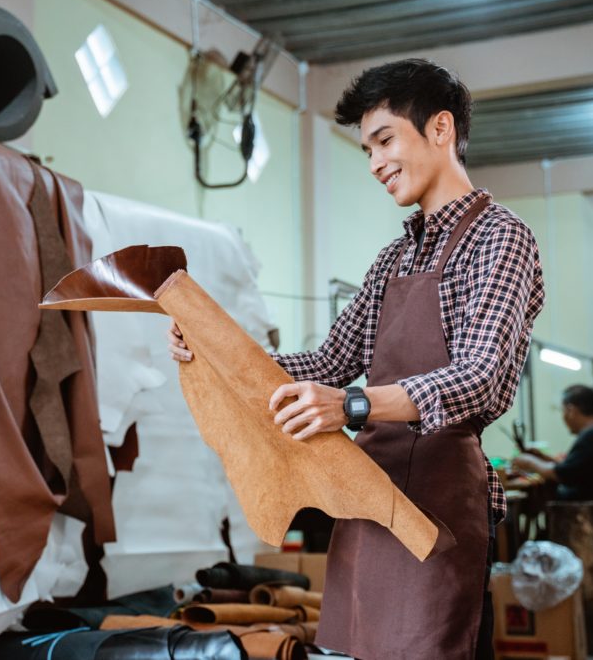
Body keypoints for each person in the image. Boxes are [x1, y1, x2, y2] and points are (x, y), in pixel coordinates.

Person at [169, 58, 545, 660]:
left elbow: (482, 379)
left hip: (439, 512)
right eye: (366, 149)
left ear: (441, 129)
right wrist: (216, 350)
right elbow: (329, 360)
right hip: (367, 500)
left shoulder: (500, 237)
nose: (374, 163)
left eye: (384, 140)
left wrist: (352, 404)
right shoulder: (393, 258)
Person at [512, 385, 593, 545]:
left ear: (571, 410)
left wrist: (529, 462)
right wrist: (544, 459)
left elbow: (564, 474)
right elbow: (577, 468)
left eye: (563, 411)